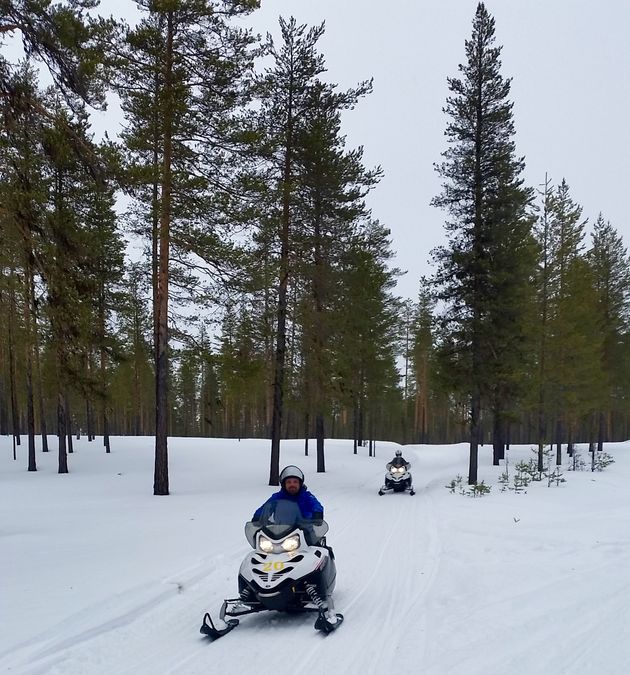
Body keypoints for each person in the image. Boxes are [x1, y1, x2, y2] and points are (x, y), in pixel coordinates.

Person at [253, 465, 324, 522]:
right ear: (284, 484)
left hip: (305, 530)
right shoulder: (278, 497)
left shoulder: (307, 496)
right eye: (289, 482)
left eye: (295, 482)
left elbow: (316, 505)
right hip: (280, 530)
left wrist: (317, 514)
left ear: (300, 484)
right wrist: (258, 517)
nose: (292, 484)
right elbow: (265, 507)